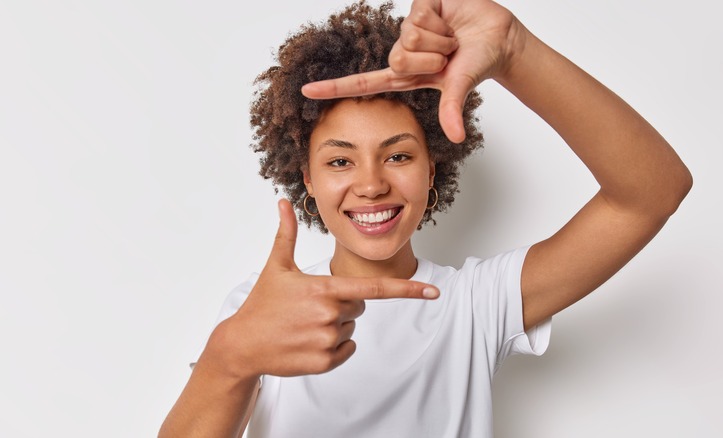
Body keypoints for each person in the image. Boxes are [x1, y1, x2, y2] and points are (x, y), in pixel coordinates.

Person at [160, 0, 692, 436]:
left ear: (433, 168)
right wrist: (229, 357)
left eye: (398, 155)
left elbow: (649, 193)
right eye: (340, 160)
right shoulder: (263, 307)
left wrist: (515, 50)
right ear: (307, 179)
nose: (371, 184)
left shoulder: (477, 305)